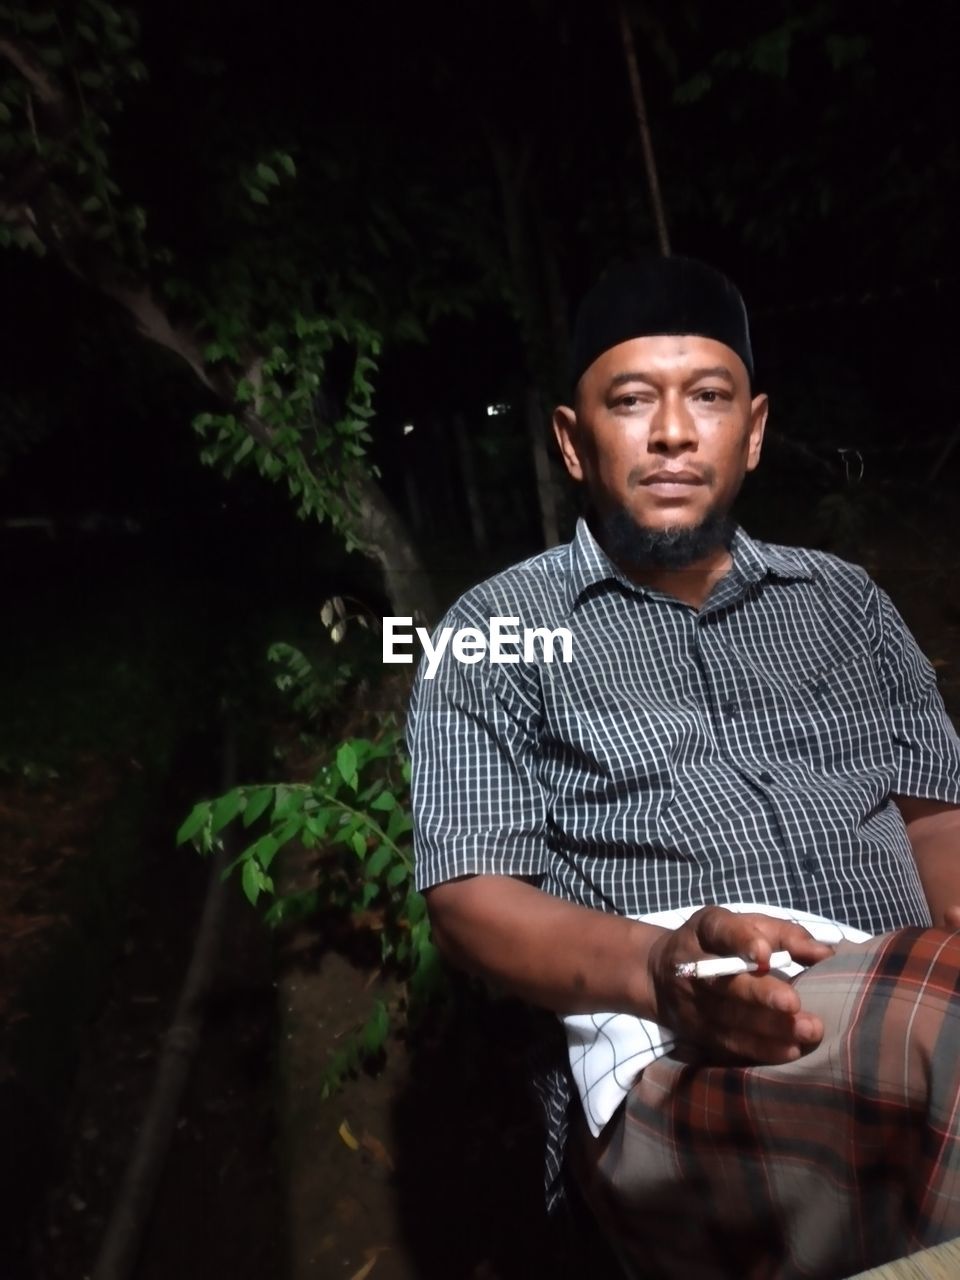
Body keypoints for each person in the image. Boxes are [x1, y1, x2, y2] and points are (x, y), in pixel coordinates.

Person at [405, 255, 960, 1279]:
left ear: (750, 429)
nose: (671, 431)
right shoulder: (497, 628)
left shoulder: (845, 602)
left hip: (911, 982)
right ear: (573, 440)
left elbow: (935, 819)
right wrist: (658, 972)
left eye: (706, 396)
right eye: (630, 400)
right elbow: (471, 896)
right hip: (676, 1046)